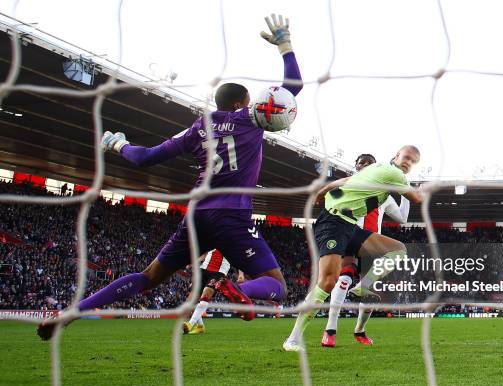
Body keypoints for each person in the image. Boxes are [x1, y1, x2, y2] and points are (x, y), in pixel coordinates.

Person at [38, 14, 302, 340]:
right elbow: (293, 88)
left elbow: (146, 158)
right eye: (248, 101)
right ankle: (231, 287)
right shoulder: (250, 120)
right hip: (233, 214)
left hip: (197, 215)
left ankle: (72, 313)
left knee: (147, 276)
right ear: (239, 103)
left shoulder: (197, 127)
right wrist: (285, 46)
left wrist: (118, 144)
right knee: (277, 284)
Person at [283, 145, 421, 352]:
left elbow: (342, 181)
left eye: (413, 161)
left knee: (398, 249)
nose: (408, 162)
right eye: (406, 157)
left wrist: (321, 193)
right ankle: (294, 339)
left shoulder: (374, 175)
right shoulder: (394, 174)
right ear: (396, 156)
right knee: (328, 281)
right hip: (333, 223)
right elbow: (417, 199)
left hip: (350, 226)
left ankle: (362, 293)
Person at [321, 154, 411, 348]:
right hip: (348, 235)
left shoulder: (384, 194)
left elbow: (402, 218)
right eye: (361, 162)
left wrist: (406, 192)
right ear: (355, 166)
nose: (364, 166)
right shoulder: (348, 186)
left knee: (368, 289)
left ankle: (359, 330)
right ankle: (330, 330)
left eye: (369, 163)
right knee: (345, 277)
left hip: (371, 243)